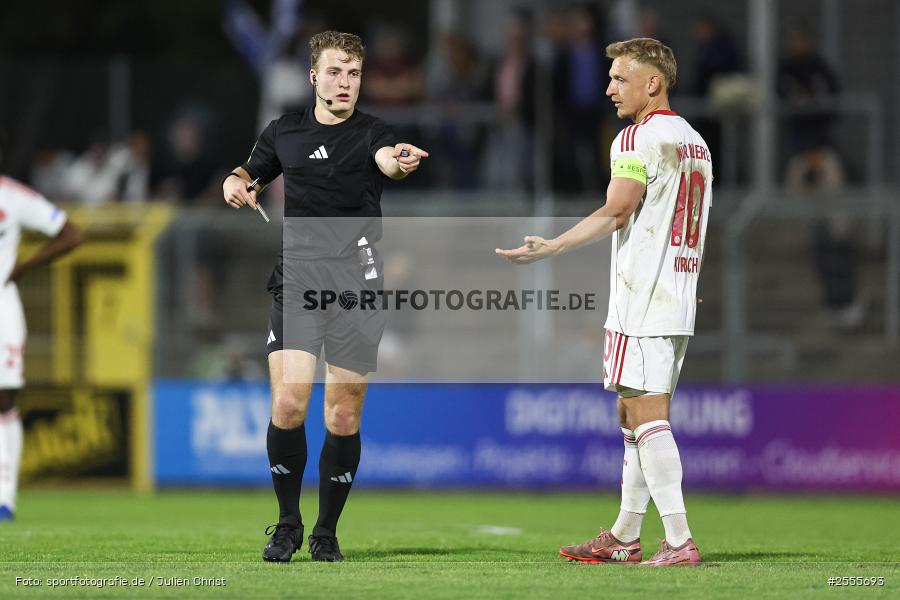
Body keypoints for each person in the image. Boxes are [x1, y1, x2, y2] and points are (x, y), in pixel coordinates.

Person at [496, 38, 711, 566]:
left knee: (646, 412)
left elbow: (618, 211)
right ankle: (624, 535)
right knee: (631, 412)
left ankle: (680, 541)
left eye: (619, 77)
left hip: (645, 297)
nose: (609, 87)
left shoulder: (635, 138)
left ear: (652, 82)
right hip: (678, 294)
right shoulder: (694, 141)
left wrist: (554, 245)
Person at [222, 30, 428, 563]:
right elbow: (251, 171)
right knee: (289, 403)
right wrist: (235, 180)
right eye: (335, 72)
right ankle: (287, 525)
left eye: (354, 73)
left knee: (342, 417)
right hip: (297, 280)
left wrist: (399, 161)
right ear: (314, 76)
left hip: (357, 285)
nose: (345, 83)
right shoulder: (284, 131)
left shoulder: (372, 132)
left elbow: (387, 158)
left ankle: (326, 531)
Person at [0, 159, 83, 521]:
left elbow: (71, 234)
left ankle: (5, 498)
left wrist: (21, 268)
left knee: (4, 399)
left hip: (3, 309)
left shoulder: (12, 196)